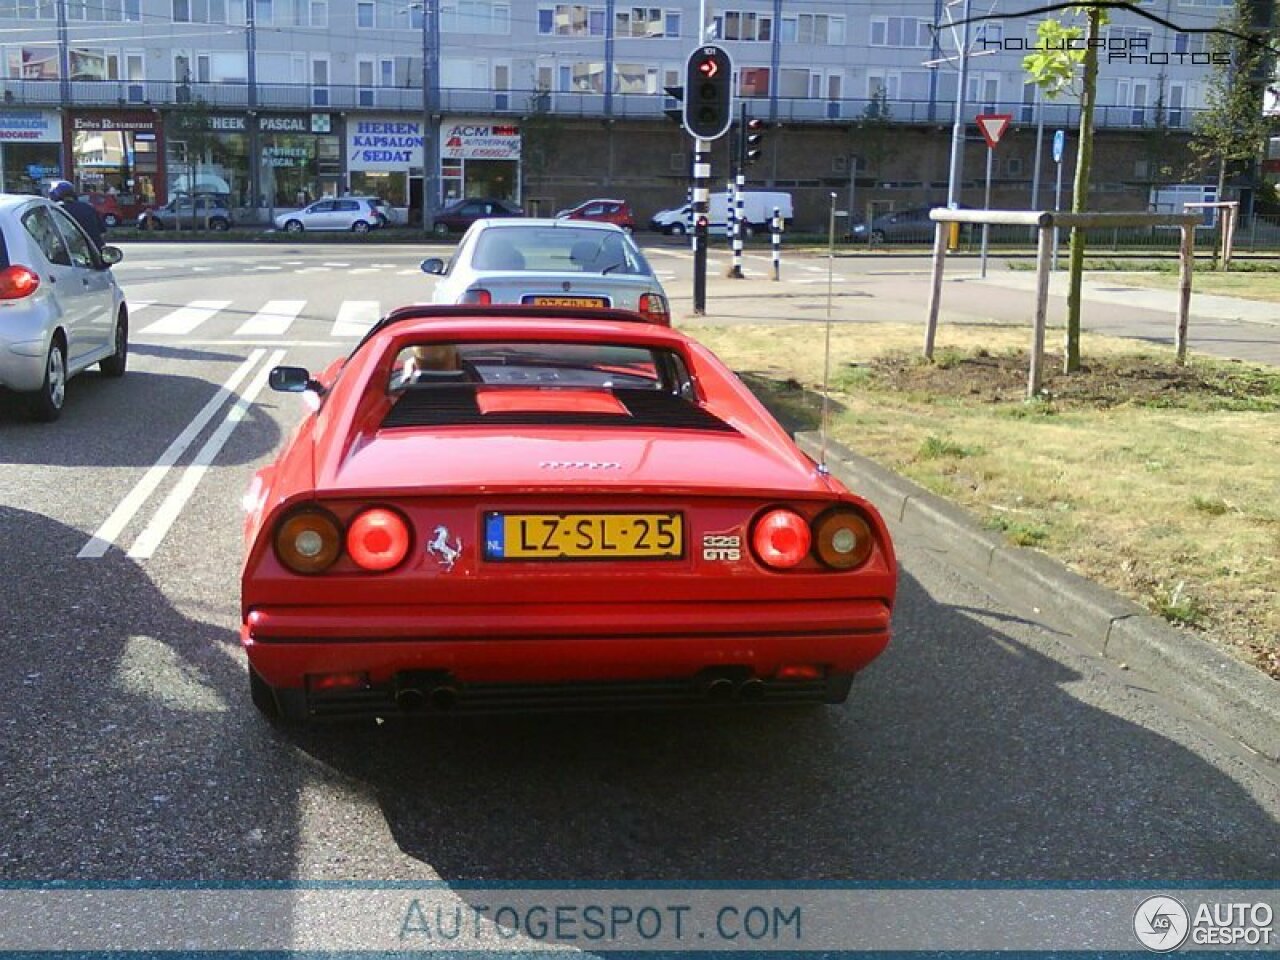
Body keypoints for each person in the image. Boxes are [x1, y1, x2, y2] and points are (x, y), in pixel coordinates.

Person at [48, 180, 104, 249]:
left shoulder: (55, 210)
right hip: (94, 250)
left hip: (71, 252)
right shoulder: (88, 207)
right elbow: (102, 231)